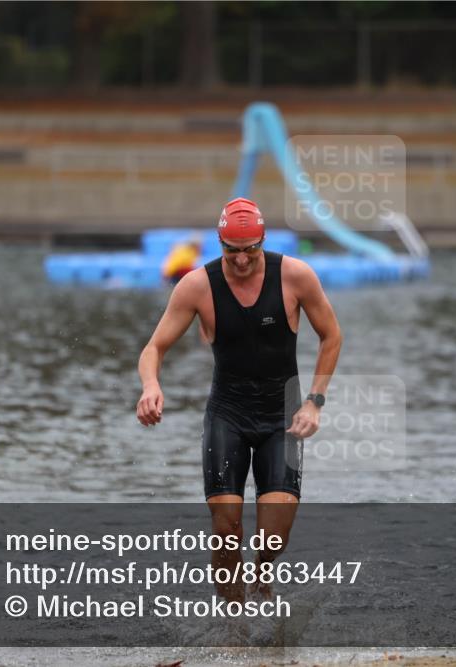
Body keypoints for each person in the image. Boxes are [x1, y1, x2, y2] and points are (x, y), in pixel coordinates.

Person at [137, 197, 343, 603]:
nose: (243, 259)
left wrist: (314, 402)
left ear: (263, 240)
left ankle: (263, 571)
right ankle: (233, 624)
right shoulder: (197, 286)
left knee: (274, 536)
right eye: (232, 250)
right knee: (227, 528)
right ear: (220, 242)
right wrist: (150, 385)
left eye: (252, 249)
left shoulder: (295, 276)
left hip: (282, 418)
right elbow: (153, 348)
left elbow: (332, 336)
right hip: (227, 416)